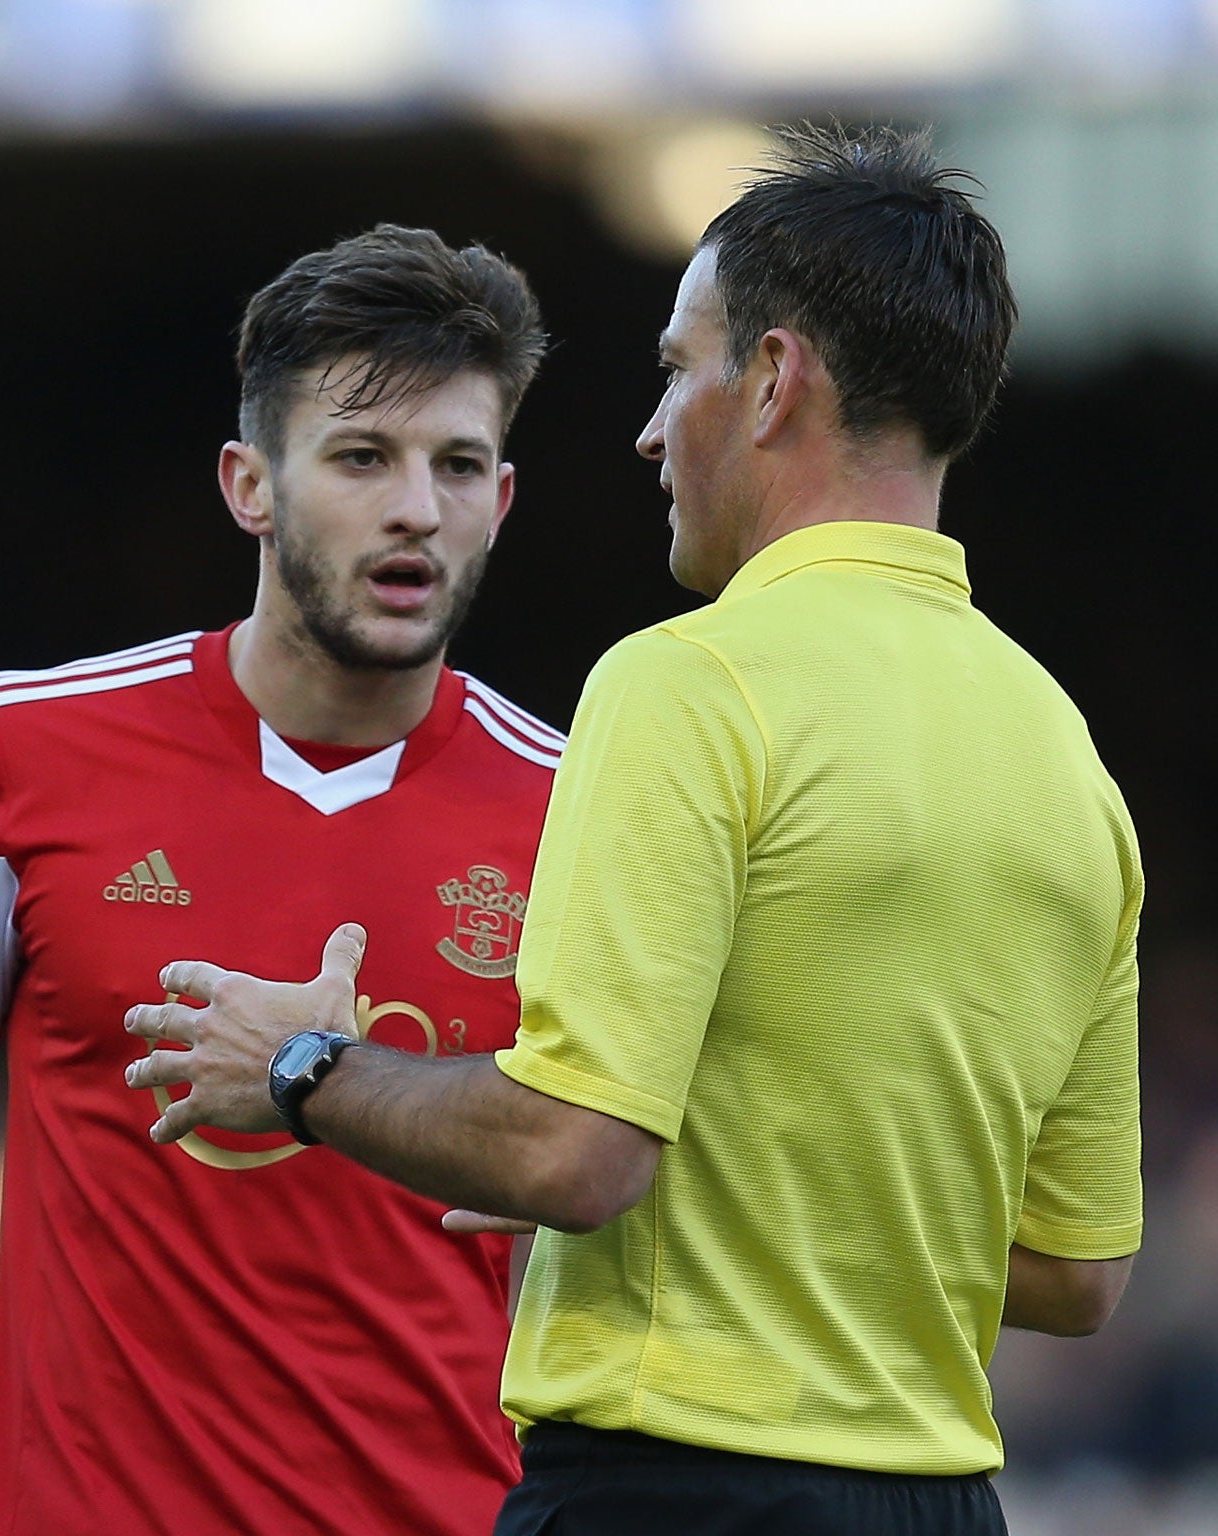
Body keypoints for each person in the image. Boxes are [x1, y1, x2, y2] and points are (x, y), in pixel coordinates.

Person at [127, 124, 1142, 1536]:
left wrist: (302, 1065)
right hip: (947, 1505)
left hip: (674, 1493)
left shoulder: (690, 683)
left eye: (680, 370)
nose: (652, 431)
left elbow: (578, 1156)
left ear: (775, 380)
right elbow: (1075, 1270)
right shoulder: (1065, 760)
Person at [0, 224, 563, 1534]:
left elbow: (617, 1186)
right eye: (362, 457)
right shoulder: (25, 750)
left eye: (456, 464)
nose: (416, 505)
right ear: (250, 485)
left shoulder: (575, 811)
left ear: (501, 501)